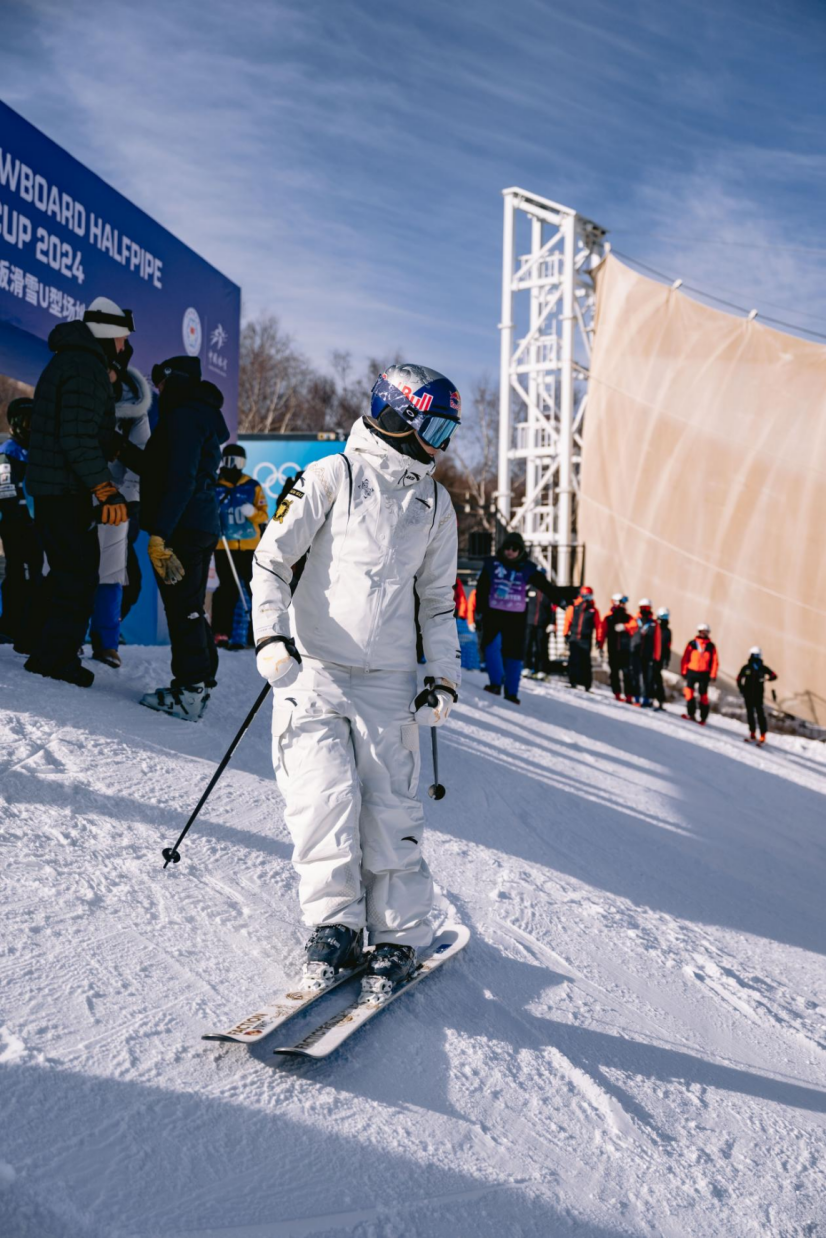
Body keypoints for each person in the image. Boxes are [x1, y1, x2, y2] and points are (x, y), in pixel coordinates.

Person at [252, 362, 461, 992]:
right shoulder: (331, 476)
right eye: (434, 424)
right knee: (320, 801)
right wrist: (269, 634)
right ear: (398, 414)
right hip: (311, 669)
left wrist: (441, 677)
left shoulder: (434, 503)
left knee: (388, 809)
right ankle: (334, 926)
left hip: (388, 680)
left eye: (449, 429)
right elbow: (272, 559)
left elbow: (439, 601)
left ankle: (398, 935)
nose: (441, 442)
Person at [25, 297, 132, 687]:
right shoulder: (85, 366)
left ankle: (39, 646)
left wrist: (118, 447)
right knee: (79, 573)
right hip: (63, 489)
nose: (123, 349)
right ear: (106, 336)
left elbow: (83, 428)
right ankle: (55, 659)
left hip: (56, 487)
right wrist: (106, 490)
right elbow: (77, 438)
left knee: (67, 571)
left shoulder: (76, 360)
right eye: (121, 341)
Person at [139, 356, 228, 721]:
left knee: (184, 607)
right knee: (189, 603)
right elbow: (168, 469)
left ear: (174, 380)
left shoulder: (185, 416)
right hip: (199, 522)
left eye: (160, 380)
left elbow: (181, 480)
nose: (157, 388)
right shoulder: (197, 415)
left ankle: (190, 690)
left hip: (184, 527)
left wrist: (160, 534)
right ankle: (200, 681)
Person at [89, 344, 152, 667]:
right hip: (78, 495)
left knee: (115, 575)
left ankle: (106, 640)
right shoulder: (81, 391)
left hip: (118, 505)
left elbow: (142, 462)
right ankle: (65, 636)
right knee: (69, 569)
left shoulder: (134, 411)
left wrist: (123, 500)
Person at [475, 532, 554, 704]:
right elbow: (481, 589)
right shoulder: (491, 565)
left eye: (515, 549)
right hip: (493, 614)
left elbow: (546, 587)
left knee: (514, 654)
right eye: (508, 548)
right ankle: (495, 683)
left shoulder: (527, 568)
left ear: (521, 551)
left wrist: (563, 597)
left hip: (516, 617)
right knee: (491, 647)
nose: (511, 552)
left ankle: (511, 692)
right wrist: (479, 612)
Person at [213, 444, 268, 648]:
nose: (234, 467)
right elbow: (209, 510)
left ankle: (257, 632)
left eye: (239, 462)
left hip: (248, 546)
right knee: (227, 588)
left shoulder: (252, 486)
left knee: (255, 588)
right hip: (224, 546)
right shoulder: (216, 486)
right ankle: (221, 631)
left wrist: (251, 512)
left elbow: (263, 515)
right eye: (230, 462)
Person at [0, 398, 44, 653]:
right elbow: (5, 490)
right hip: (16, 526)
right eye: (26, 422)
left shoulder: (38, 450)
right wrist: (21, 519)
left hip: (38, 524)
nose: (30, 428)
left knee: (36, 574)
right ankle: (11, 625)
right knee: (19, 572)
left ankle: (28, 625)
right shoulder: (8, 451)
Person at [563, 585, 602, 691]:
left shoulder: (593, 610)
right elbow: (568, 620)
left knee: (585, 662)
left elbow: (599, 626)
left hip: (586, 639)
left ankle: (586, 685)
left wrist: (599, 640)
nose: (587, 598)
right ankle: (573, 681)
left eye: (589, 596)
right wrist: (565, 634)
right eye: (586, 595)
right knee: (573, 660)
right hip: (574, 637)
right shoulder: (574, 607)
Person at [680, 622, 719, 725]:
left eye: (705, 632)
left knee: (703, 695)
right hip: (692, 671)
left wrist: (713, 674)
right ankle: (690, 713)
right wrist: (684, 670)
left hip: (704, 673)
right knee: (689, 692)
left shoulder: (711, 646)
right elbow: (685, 657)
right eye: (702, 632)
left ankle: (703, 717)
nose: (703, 634)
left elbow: (715, 661)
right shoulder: (692, 644)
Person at [737, 646, 777, 743]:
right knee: (750, 714)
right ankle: (752, 733)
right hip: (748, 694)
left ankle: (763, 734)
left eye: (758, 655)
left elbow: (774, 675)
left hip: (758, 695)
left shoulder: (763, 668)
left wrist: (767, 679)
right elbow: (739, 679)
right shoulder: (746, 668)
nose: (756, 657)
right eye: (755, 655)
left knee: (760, 714)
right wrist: (742, 689)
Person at [600, 592, 635, 701]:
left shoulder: (627, 617)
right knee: (614, 672)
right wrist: (600, 646)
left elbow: (635, 626)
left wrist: (625, 626)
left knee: (627, 673)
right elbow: (602, 631)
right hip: (613, 649)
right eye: (622, 602)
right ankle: (617, 694)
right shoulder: (608, 617)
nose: (624, 605)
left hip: (625, 649)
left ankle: (629, 696)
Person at [523, 585, 555, 680]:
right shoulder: (529, 589)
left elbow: (552, 609)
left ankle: (541, 670)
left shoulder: (548, 592)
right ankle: (527, 667)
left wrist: (552, 623)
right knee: (527, 646)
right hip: (529, 622)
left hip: (542, 624)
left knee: (541, 647)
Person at [635, 598, 661, 708]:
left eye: (647, 608)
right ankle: (636, 698)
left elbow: (657, 641)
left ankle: (646, 699)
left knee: (647, 678)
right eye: (643, 608)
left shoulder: (654, 624)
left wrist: (656, 657)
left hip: (648, 654)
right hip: (636, 653)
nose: (645, 610)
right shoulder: (635, 620)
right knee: (636, 676)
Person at [652, 607, 672, 710]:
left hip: (660, 658)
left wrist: (666, 660)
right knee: (649, 678)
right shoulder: (654, 626)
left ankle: (660, 701)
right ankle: (648, 698)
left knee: (657, 680)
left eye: (666, 617)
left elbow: (668, 647)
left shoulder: (667, 631)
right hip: (651, 657)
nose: (664, 619)